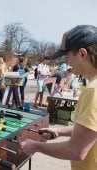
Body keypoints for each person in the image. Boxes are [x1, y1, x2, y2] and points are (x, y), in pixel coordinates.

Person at [20, 25, 97, 170]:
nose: (67, 62)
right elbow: (91, 131)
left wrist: (36, 146)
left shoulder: (93, 90)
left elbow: (76, 151)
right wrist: (61, 131)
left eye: (67, 56)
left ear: (82, 54)